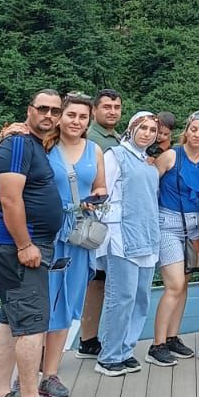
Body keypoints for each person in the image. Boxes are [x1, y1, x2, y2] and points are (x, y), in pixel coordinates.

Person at [0, 90, 68, 397]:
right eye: (42, 109)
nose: (48, 115)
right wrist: (24, 245)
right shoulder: (18, 143)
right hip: (21, 250)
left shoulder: (30, 143)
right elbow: (10, 198)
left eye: (54, 110)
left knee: (9, 321)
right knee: (32, 324)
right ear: (29, 110)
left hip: (19, 247)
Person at [42, 93, 106, 397]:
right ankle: (28, 371)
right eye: (71, 115)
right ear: (60, 116)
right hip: (47, 233)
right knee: (41, 300)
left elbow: (100, 186)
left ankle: (50, 373)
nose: (76, 122)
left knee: (67, 301)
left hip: (78, 234)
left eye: (82, 117)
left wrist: (96, 199)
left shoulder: (94, 150)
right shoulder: (44, 146)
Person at [95, 112, 162, 377]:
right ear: (131, 128)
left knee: (140, 298)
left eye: (152, 130)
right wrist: (110, 229)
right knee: (121, 297)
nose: (147, 133)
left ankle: (125, 349)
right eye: (142, 128)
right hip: (122, 235)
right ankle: (109, 355)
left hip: (146, 234)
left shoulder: (147, 162)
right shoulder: (115, 155)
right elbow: (103, 193)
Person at [148, 111, 199, 364]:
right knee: (173, 284)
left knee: (183, 285)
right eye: (193, 129)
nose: (197, 134)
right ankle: (157, 344)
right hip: (168, 223)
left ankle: (172, 336)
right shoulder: (172, 156)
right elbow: (149, 186)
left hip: (196, 226)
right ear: (186, 131)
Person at [76, 87, 122, 355]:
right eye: (107, 107)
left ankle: (89, 339)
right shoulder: (89, 138)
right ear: (95, 110)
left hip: (106, 221)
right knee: (88, 280)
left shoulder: (113, 137)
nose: (112, 112)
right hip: (89, 218)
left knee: (98, 280)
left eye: (116, 107)